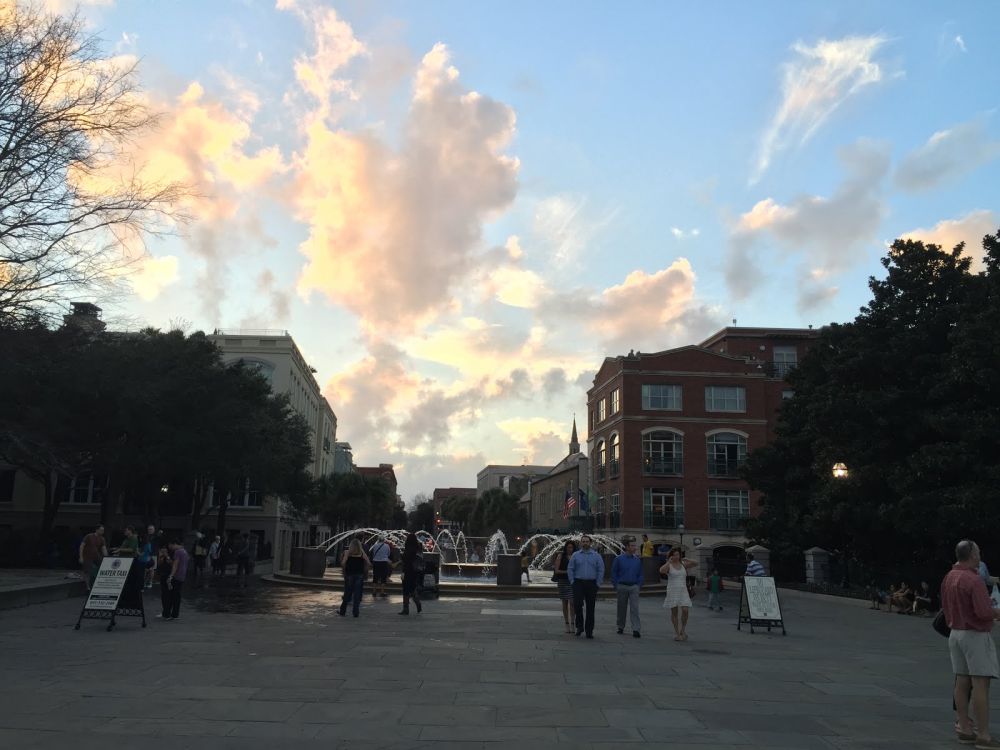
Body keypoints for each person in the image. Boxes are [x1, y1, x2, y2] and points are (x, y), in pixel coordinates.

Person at [942, 540, 1000, 749]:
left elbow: (946, 606)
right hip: (975, 635)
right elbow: (983, 612)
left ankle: (965, 728)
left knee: (962, 681)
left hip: (955, 633)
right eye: (978, 552)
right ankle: (983, 735)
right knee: (980, 684)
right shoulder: (974, 580)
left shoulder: (949, 576)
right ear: (973, 555)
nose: (980, 556)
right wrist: (996, 612)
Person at [567, 535, 604, 639]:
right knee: (577, 604)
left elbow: (601, 570)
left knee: (590, 607)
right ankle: (579, 627)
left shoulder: (596, 556)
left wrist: (598, 583)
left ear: (590, 543)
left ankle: (589, 630)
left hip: (592, 583)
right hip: (578, 583)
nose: (585, 543)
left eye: (587, 541)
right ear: (580, 543)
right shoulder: (575, 555)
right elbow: (570, 568)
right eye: (583, 541)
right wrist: (572, 581)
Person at [661, 547, 697, 641]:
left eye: (678, 554)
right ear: (671, 556)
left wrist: (687, 559)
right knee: (674, 612)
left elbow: (696, 563)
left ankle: (683, 630)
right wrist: (668, 562)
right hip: (673, 590)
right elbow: (661, 570)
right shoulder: (669, 565)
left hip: (683, 590)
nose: (676, 556)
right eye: (674, 555)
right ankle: (677, 633)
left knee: (685, 610)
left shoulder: (683, 564)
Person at [611, 538, 643, 638]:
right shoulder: (618, 559)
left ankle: (636, 629)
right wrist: (616, 585)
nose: (635, 547)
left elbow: (640, 574)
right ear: (627, 547)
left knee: (635, 608)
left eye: (635, 545)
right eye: (632, 546)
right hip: (622, 585)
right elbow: (614, 573)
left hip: (634, 586)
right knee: (621, 608)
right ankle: (620, 626)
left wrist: (638, 585)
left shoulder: (637, 560)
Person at [338, 539, 371, 618]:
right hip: (359, 575)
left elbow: (343, 563)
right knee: (357, 594)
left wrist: (345, 558)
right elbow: (369, 563)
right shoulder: (362, 553)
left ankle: (342, 611)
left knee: (347, 593)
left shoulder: (347, 552)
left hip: (349, 575)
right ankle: (355, 612)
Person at [552, 540, 577, 634]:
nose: (570, 549)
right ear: (565, 547)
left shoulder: (576, 556)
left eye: (572, 547)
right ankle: (567, 623)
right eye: (568, 547)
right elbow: (557, 570)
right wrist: (568, 572)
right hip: (563, 581)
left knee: (572, 602)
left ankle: (573, 623)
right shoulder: (560, 556)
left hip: (572, 582)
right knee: (565, 603)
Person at [399, 532, 424, 615]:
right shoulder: (418, 548)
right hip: (415, 572)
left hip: (407, 571)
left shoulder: (408, 549)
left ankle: (406, 609)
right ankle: (418, 603)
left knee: (406, 590)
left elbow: (405, 561)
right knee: (412, 588)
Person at [78, 524, 108, 591]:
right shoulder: (89, 536)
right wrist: (81, 557)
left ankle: (99, 584)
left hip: (96, 556)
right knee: (87, 571)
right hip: (87, 556)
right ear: (97, 530)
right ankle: (88, 587)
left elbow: (104, 548)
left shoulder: (102, 538)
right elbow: (82, 546)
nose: (102, 531)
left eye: (103, 530)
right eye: (101, 530)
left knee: (102, 567)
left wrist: (107, 558)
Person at [165, 539, 189, 620]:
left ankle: (170, 614)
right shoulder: (184, 551)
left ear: (174, 544)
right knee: (177, 595)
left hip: (176, 575)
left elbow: (175, 565)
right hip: (182, 575)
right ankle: (175, 614)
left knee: (172, 595)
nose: (170, 547)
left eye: (170, 545)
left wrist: (171, 576)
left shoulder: (177, 552)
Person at [155, 546, 173, 619]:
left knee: (168, 595)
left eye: (164, 551)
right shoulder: (161, 557)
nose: (163, 552)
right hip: (162, 576)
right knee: (163, 595)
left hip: (168, 577)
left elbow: (171, 564)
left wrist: (167, 556)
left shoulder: (170, 557)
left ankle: (168, 613)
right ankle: (164, 612)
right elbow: (159, 564)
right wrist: (160, 557)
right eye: (162, 551)